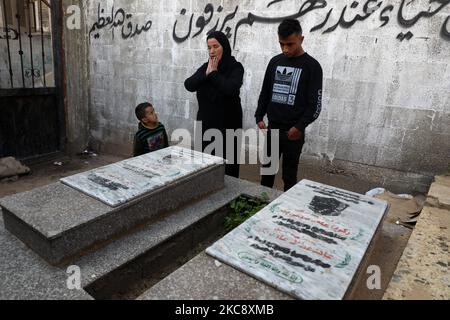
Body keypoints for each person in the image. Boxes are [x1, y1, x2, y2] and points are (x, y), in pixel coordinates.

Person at [255, 19, 323, 191]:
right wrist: (259, 115)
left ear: (301, 39)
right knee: (267, 173)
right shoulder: (275, 62)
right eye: (281, 44)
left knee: (289, 176)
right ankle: (261, 207)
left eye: (290, 44)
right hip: (273, 129)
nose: (285, 49)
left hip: (294, 132)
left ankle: (286, 211)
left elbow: (315, 105)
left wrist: (299, 127)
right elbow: (265, 91)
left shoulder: (312, 67)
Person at [184, 31, 244, 178]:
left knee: (229, 167)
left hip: (229, 125)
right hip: (207, 124)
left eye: (215, 46)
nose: (212, 51)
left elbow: (230, 88)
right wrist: (206, 73)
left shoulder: (236, 68)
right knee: (205, 165)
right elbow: (189, 84)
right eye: (209, 47)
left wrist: (214, 74)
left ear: (224, 47)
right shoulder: (205, 67)